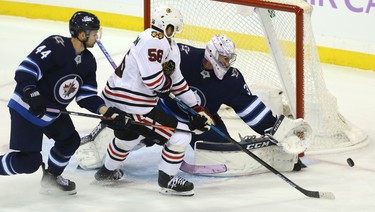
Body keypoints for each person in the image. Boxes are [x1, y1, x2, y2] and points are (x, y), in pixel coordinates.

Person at [76, 34, 311, 176]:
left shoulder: (231, 79)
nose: (227, 63)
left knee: (224, 150)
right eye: (223, 58)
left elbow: (249, 107)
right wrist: (159, 88)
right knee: (134, 134)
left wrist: (272, 128)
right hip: (163, 110)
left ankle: (279, 158)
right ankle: (101, 157)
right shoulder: (184, 56)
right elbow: (156, 73)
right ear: (211, 53)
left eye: (229, 59)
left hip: (203, 121)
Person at [0, 11, 128, 195]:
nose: (96, 37)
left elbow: (86, 96)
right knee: (28, 162)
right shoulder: (55, 44)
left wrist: (106, 110)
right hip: (27, 109)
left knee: (70, 141)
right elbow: (25, 70)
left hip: (52, 111)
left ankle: (52, 176)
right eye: (93, 33)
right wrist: (32, 93)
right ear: (82, 34)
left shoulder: (89, 61)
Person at [93, 6, 213, 196]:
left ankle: (106, 172)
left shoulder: (168, 44)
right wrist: (164, 86)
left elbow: (176, 81)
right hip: (131, 102)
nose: (175, 31)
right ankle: (168, 180)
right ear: (166, 26)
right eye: (174, 27)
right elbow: (154, 81)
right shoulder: (154, 40)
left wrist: (196, 107)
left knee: (130, 135)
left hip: (119, 97)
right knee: (181, 134)